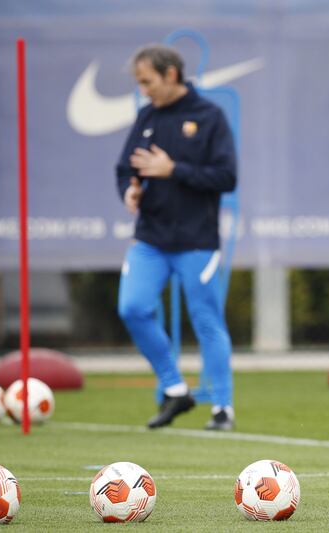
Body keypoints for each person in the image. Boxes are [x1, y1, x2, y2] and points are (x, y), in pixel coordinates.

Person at [116, 44, 237, 431]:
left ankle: (222, 408)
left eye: (147, 81)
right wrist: (129, 191)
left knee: (206, 320)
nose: (143, 89)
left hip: (196, 241)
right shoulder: (146, 116)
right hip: (151, 238)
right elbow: (125, 168)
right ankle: (174, 389)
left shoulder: (209, 117)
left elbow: (226, 176)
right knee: (132, 308)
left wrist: (174, 169)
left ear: (170, 75)